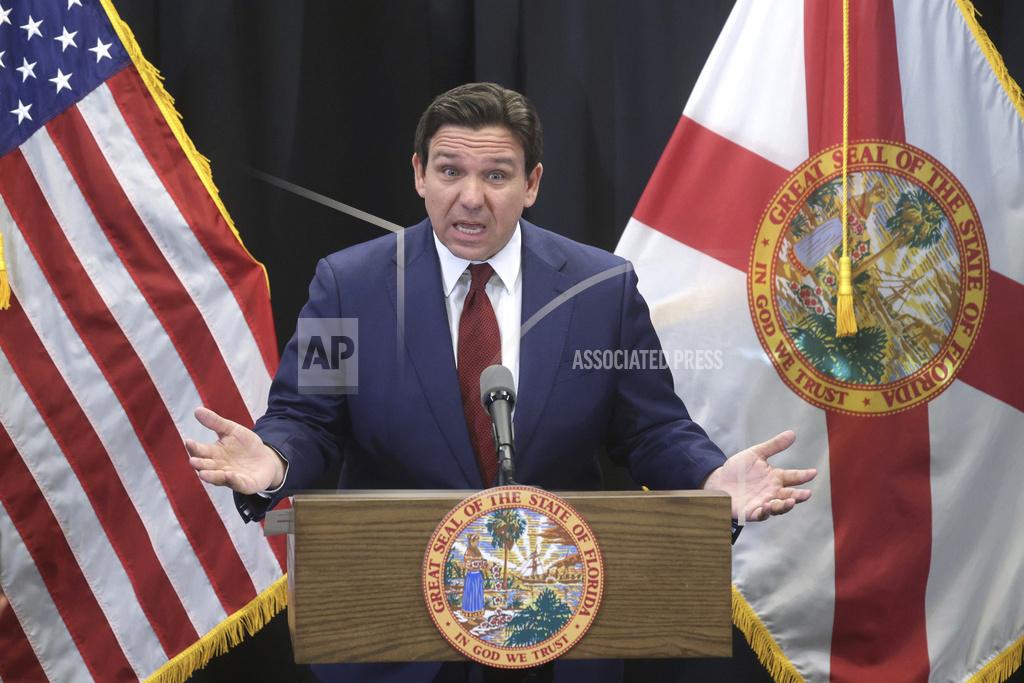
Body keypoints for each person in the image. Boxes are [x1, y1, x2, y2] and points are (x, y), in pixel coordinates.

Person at [185, 82, 816, 682]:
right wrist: (275, 461)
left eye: (496, 175)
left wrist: (710, 478)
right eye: (450, 171)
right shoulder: (348, 287)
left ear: (531, 183)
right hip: (395, 641)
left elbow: (652, 427)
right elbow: (309, 419)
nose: (470, 197)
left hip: (560, 630)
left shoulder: (600, 289)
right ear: (418, 175)